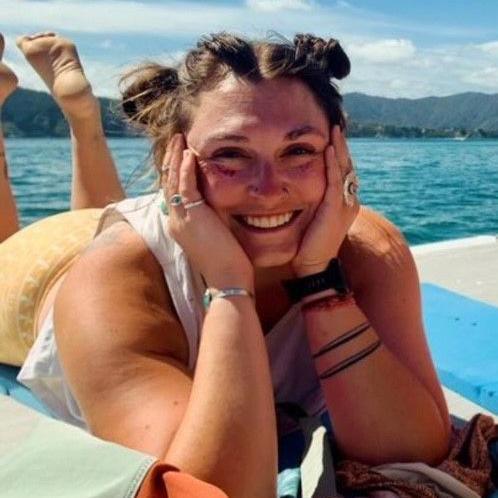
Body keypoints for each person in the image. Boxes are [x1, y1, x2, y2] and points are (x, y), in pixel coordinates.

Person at [8, 32, 451, 498]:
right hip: (35, 282)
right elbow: (210, 490)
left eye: (298, 150)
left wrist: (320, 280)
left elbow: (415, 447)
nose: (268, 187)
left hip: (171, 225)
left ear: (338, 155)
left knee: (98, 212)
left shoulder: (366, 249)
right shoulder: (113, 277)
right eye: (229, 155)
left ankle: (82, 118)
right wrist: (229, 287)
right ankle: (80, 120)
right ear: (173, 162)